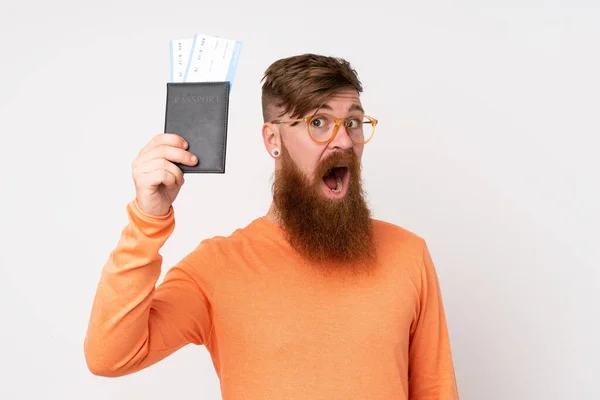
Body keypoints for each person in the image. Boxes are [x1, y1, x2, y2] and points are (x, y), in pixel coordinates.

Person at [84, 53, 459, 399]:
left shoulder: (408, 254)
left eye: (354, 123)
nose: (344, 140)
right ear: (272, 139)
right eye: (318, 123)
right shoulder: (218, 267)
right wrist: (147, 221)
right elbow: (111, 356)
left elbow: (436, 392)